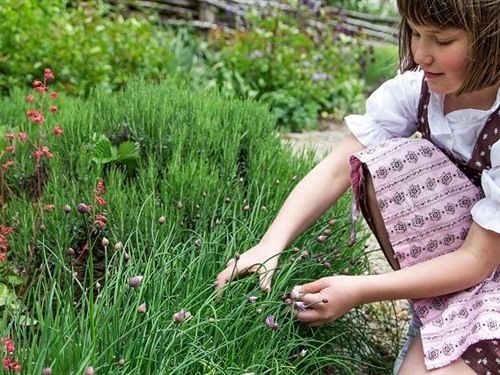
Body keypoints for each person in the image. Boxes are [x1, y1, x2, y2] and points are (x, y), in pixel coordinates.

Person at [215, 0, 500, 373]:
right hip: (464, 261)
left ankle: (454, 317)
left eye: (442, 41)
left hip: (482, 261)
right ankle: (436, 306)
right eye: (414, 33)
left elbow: (478, 259)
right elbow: (337, 168)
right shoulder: (417, 91)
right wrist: (271, 244)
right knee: (385, 160)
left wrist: (360, 289)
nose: (420, 53)